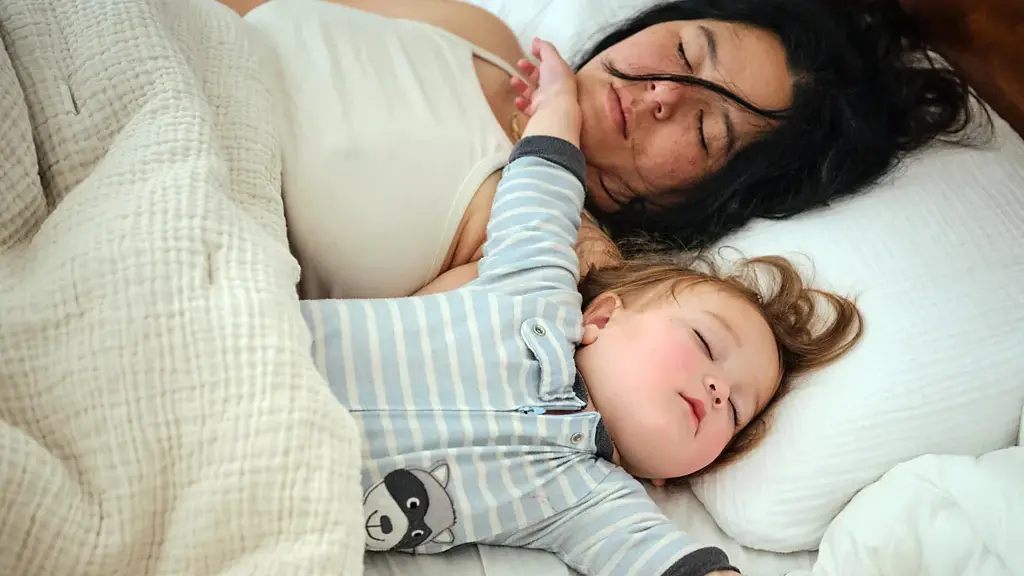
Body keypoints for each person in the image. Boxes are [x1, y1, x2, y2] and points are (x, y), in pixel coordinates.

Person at [298, 39, 863, 575]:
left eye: (736, 411)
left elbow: (659, 559)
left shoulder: (585, 501)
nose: (718, 391)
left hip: (278, 483)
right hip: (269, 357)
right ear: (601, 318)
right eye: (705, 344)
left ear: (671, 478)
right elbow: (543, 188)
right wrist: (561, 102)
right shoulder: (533, 293)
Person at [228, 0, 978, 300]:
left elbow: (367, 364)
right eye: (688, 47)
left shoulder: (546, 248)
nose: (662, 92)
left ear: (706, 201)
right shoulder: (484, 38)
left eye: (705, 129)